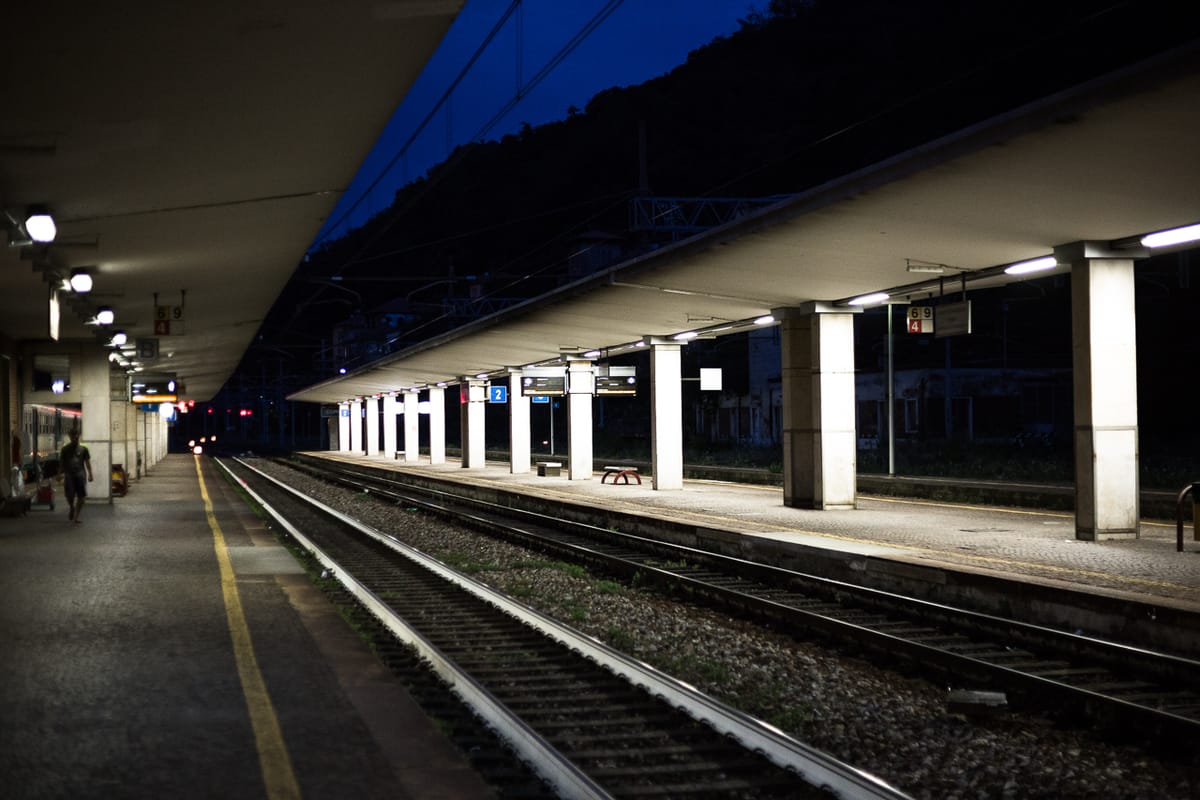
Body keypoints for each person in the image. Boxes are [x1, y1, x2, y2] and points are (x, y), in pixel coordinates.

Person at [60, 428, 93, 523]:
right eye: (73, 436)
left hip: (80, 475)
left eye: (76, 435)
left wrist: (90, 474)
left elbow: (87, 462)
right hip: (69, 475)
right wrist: (59, 474)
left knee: (81, 497)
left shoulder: (84, 449)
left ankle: (76, 517)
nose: (75, 437)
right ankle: (71, 507)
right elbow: (61, 463)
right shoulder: (65, 449)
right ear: (70, 437)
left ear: (78, 436)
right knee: (69, 495)